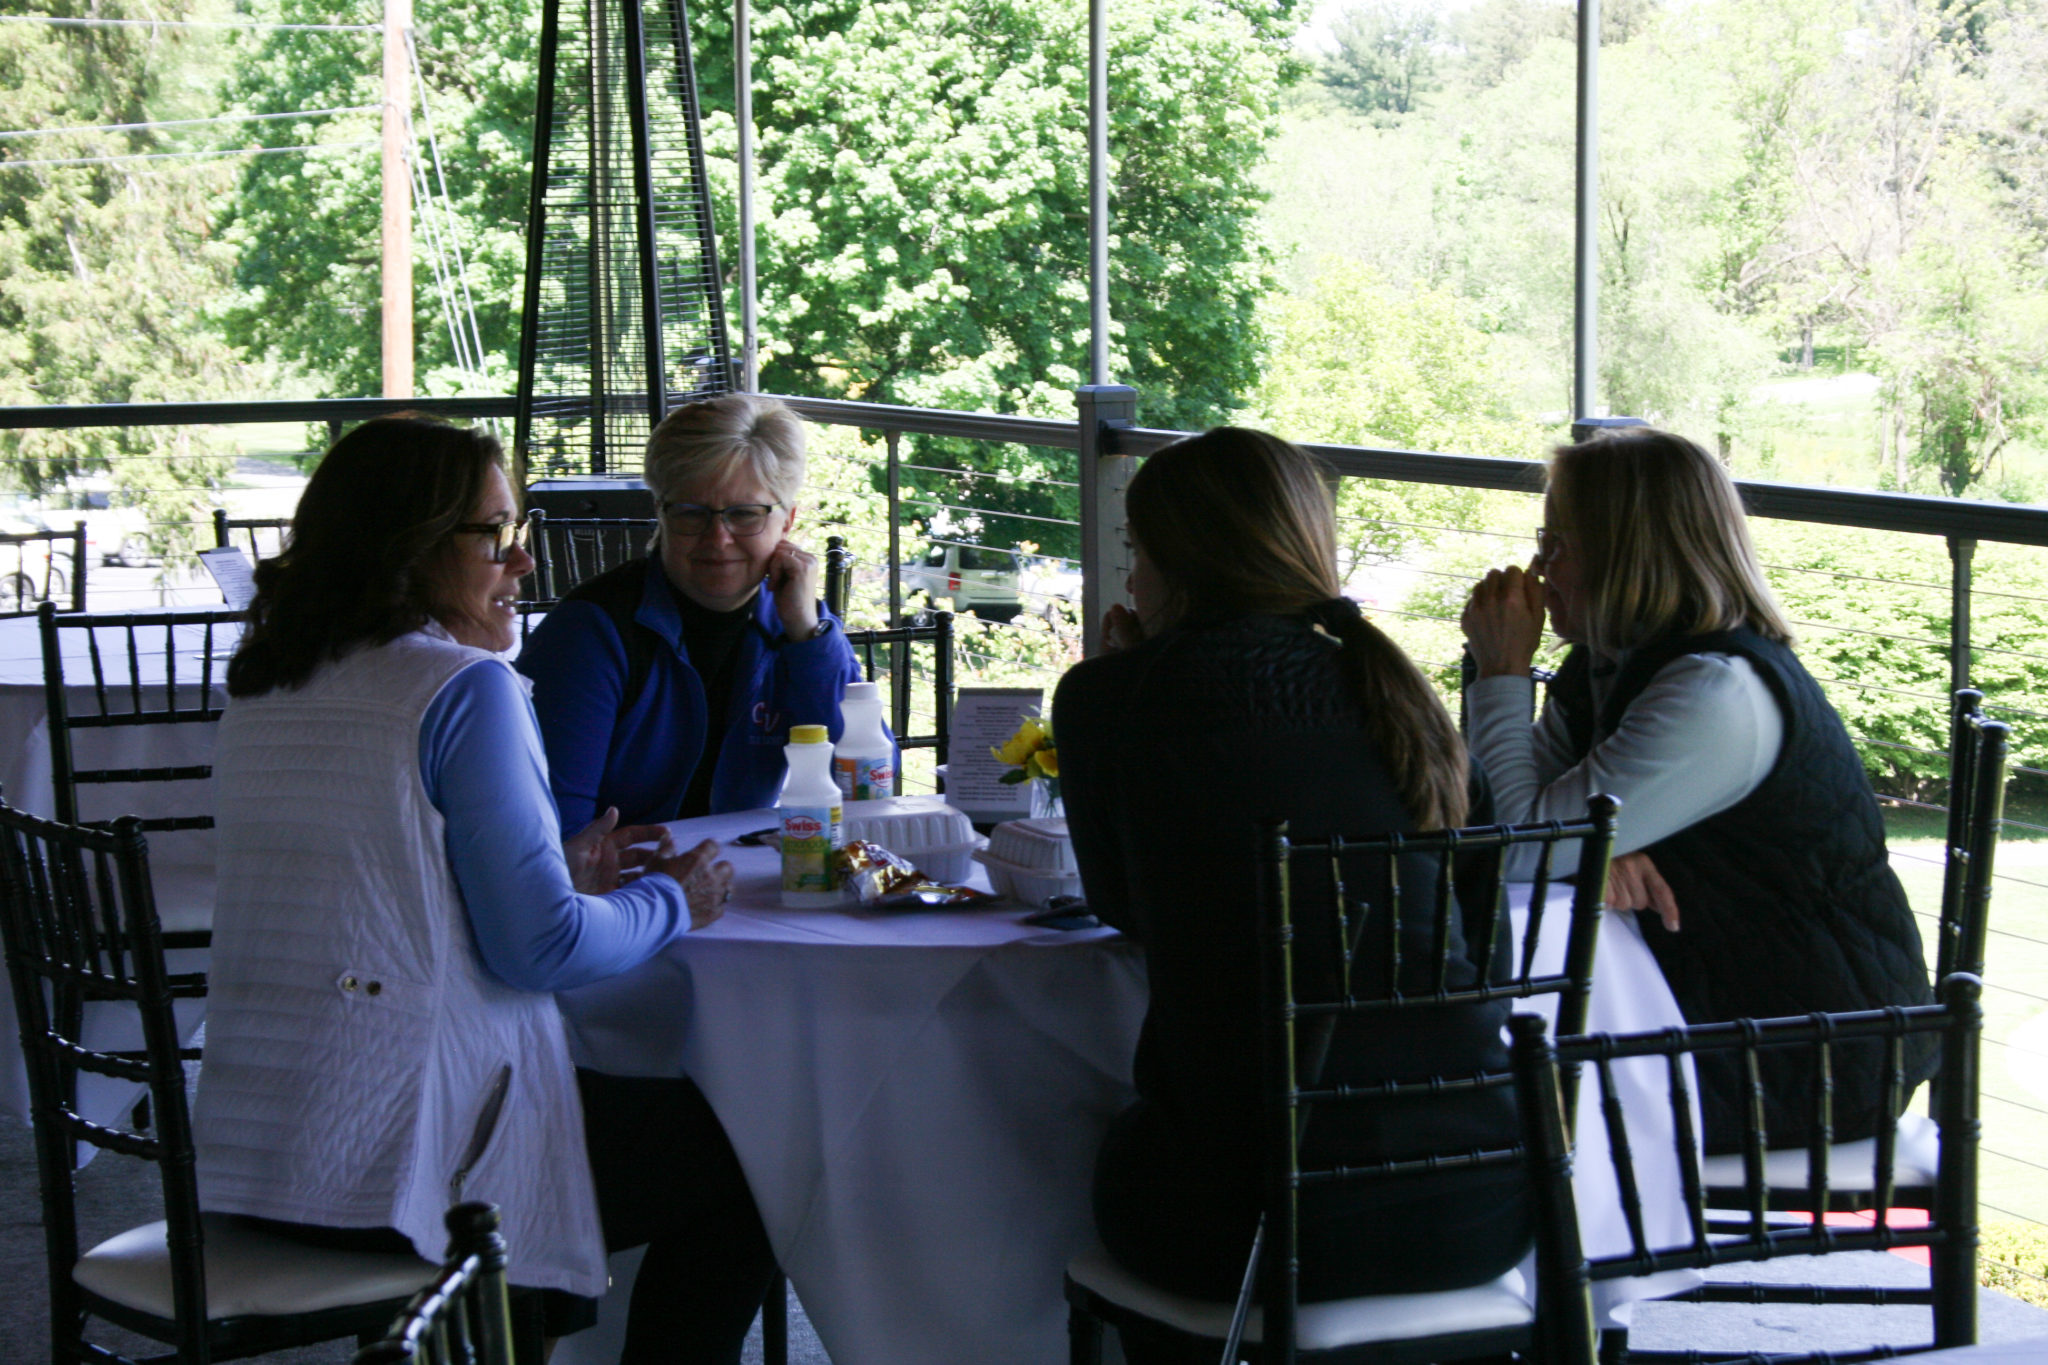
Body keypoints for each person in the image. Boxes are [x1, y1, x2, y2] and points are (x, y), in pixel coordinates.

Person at [191, 415, 778, 1365]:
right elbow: (540, 951)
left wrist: (562, 877)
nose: (525, 562)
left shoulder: (271, 682)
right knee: (761, 1148)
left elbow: (386, 893)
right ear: (413, 549)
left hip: (251, 1152)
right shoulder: (464, 687)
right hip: (406, 1166)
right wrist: (675, 901)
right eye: (497, 535)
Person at [1054, 428, 1527, 1347]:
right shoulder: (1406, 701)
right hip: (1482, 1196)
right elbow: (1486, 948)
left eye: (1138, 552)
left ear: (1177, 565)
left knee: (1068, 1127)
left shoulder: (1118, 697)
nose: (1131, 578)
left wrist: (1115, 681)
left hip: (1250, 1221)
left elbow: (1121, 905)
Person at [1460, 426, 1936, 1150]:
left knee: (1502, 1088)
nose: (1539, 567)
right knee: (1495, 1062)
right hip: (1712, 1002)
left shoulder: (1713, 691)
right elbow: (1497, 822)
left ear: (1632, 549)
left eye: (1560, 543)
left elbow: (1514, 849)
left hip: (1810, 1049)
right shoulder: (1612, 663)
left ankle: (1550, 1262)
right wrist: (1592, 852)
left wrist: (1499, 676)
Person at [517, 393, 865, 830]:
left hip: (745, 878)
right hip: (624, 889)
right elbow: (552, 833)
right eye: (690, 513)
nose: (717, 538)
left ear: (788, 520)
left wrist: (808, 639)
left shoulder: (797, 627)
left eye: (744, 514)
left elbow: (866, 789)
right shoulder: (588, 634)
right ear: (659, 512)